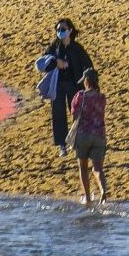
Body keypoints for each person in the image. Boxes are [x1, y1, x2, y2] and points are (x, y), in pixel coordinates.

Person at [37, 19, 93, 160]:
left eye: (63, 29)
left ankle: (75, 142)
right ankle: (62, 145)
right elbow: (42, 63)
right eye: (58, 30)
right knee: (58, 113)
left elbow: (88, 66)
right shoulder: (54, 47)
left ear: (70, 31)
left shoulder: (77, 49)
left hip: (74, 85)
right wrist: (56, 62)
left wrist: (87, 83)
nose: (60, 32)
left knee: (76, 114)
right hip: (58, 85)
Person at [69, 67, 110, 205]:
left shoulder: (79, 96)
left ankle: (87, 198)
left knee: (83, 166)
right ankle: (103, 189)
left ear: (86, 81)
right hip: (99, 135)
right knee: (97, 168)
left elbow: (74, 116)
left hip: (83, 135)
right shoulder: (101, 97)